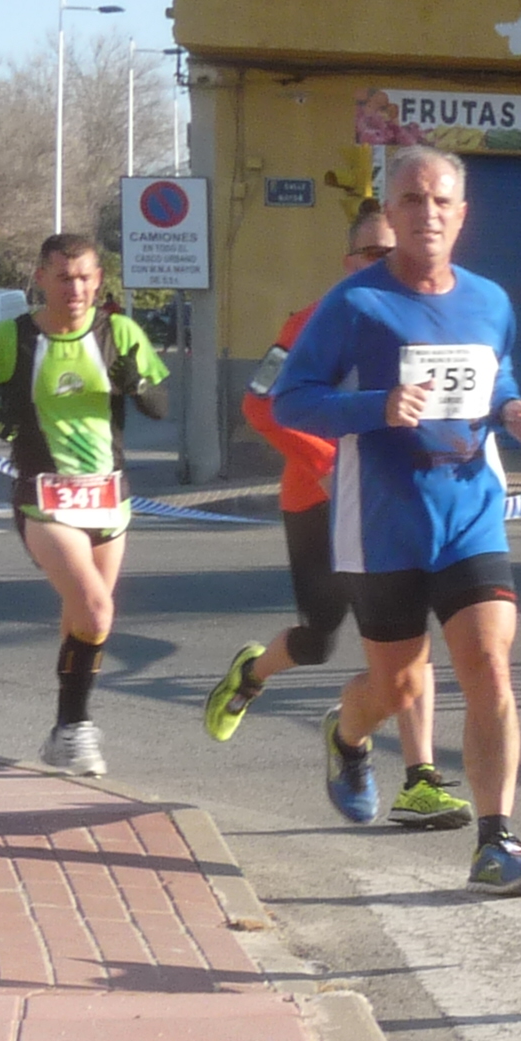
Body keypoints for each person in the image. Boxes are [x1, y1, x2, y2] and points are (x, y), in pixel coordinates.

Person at [271, 144, 521, 897]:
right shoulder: (354, 304)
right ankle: (347, 733)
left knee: (488, 664)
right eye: (411, 200)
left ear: (462, 215)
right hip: (384, 526)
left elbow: (498, 375)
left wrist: (513, 410)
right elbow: (289, 399)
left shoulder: (490, 301)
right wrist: (377, 407)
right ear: (391, 215)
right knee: (396, 689)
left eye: (440, 201)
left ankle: (496, 841)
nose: (427, 213)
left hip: (470, 513)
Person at [200, 204, 464, 825]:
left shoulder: (433, 320)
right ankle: (251, 675)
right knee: (318, 638)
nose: (387, 261)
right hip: (319, 500)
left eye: (395, 250)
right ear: (349, 263)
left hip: (395, 499)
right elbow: (260, 405)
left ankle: (419, 779)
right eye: (373, 252)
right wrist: (324, 464)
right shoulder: (312, 321)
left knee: (409, 639)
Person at [0, 232, 172, 776]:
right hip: (45, 498)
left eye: (86, 278)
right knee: (96, 609)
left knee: (84, 620)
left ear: (99, 281)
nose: (76, 289)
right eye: (65, 278)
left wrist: (137, 384)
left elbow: (160, 406)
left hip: (108, 499)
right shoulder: (14, 337)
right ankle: (76, 729)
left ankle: (63, 730)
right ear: (41, 279)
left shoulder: (118, 332)